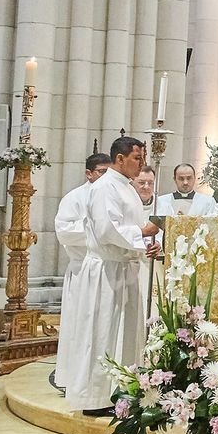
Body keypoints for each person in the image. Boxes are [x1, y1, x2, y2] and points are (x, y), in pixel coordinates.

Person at [64, 136, 159, 415]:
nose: (141, 164)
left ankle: (121, 393)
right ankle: (94, 399)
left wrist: (149, 244)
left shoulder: (126, 188)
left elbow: (132, 225)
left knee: (125, 335)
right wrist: (143, 234)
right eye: (137, 158)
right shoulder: (105, 187)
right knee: (102, 333)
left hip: (124, 268)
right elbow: (108, 229)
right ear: (120, 158)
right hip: (107, 271)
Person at [52, 152, 112, 389]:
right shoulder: (74, 197)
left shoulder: (110, 196)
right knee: (79, 327)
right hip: (82, 271)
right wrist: (97, 230)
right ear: (89, 173)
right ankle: (73, 378)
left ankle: (99, 379)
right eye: (102, 172)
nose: (106, 177)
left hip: (105, 271)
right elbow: (64, 230)